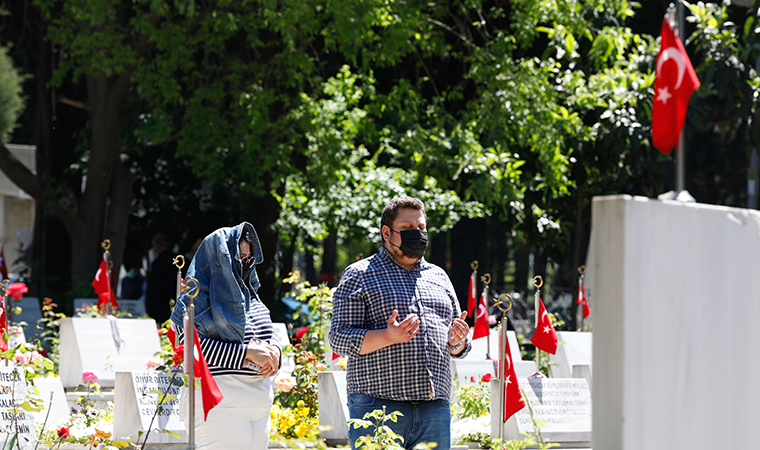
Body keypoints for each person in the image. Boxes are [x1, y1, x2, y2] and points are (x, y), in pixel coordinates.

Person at [329, 196, 471, 450]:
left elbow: (459, 345)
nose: (417, 234)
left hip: (434, 408)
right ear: (387, 232)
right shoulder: (359, 274)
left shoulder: (439, 276)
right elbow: (339, 337)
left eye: (421, 228)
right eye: (407, 229)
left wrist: (457, 342)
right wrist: (387, 336)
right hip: (377, 406)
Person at [171, 222, 281, 450]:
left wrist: (275, 353)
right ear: (218, 258)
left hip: (259, 400)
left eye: (248, 258)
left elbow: (271, 333)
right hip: (221, 401)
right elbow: (192, 350)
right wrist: (247, 353)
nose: (245, 264)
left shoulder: (251, 293)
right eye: (239, 257)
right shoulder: (194, 300)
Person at [145, 233, 177, 324]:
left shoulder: (158, 263)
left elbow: (156, 288)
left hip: (162, 304)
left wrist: (151, 309)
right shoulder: (181, 260)